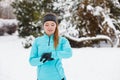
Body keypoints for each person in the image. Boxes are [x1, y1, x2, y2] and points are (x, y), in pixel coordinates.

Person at [29, 13, 72, 80]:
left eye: (52, 24)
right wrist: (42, 59)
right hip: (41, 78)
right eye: (47, 25)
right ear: (43, 26)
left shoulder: (62, 40)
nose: (50, 27)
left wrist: (52, 55)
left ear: (56, 26)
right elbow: (32, 61)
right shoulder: (37, 41)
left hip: (59, 77)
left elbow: (68, 53)